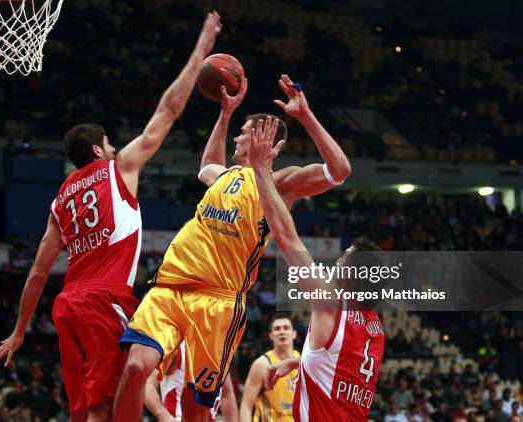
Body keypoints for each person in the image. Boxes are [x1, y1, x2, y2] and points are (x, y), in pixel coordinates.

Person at [0, 11, 223, 422]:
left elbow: (38, 272)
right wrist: (201, 48)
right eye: (110, 144)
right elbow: (167, 112)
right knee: (109, 407)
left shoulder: (60, 199)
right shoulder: (118, 170)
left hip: (66, 307)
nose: (115, 149)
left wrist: (21, 329)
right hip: (103, 299)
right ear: (98, 150)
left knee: (83, 411)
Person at [115, 74, 351, 421]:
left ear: (269, 142)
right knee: (136, 366)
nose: (239, 135)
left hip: (220, 302)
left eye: (245, 130)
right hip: (169, 287)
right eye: (238, 130)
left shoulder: (279, 184)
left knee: (197, 407)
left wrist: (305, 117)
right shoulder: (225, 177)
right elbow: (206, 168)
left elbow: (340, 170)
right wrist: (225, 115)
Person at [250, 117, 385, 421]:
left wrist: (261, 170)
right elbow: (340, 366)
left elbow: (285, 236)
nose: (336, 261)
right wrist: (299, 364)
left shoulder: (329, 304)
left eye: (343, 258)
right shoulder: (374, 327)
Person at [144, 341, 238, 422]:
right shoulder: (177, 348)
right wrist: (163, 414)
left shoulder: (218, 352)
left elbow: (227, 396)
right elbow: (148, 386)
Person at [239, 314, 299, 422]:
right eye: (277, 329)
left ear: (294, 334)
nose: (282, 331)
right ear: (271, 335)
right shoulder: (262, 364)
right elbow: (246, 405)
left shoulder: (302, 361)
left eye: (286, 328)